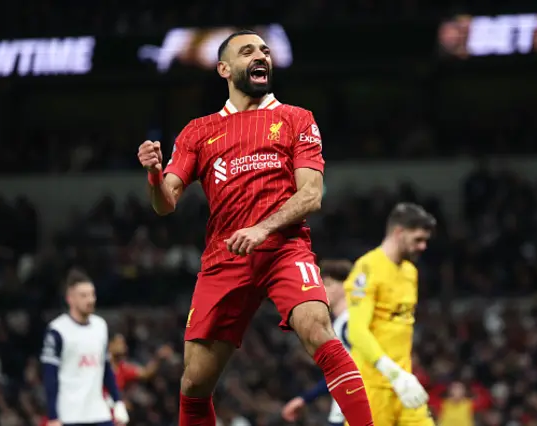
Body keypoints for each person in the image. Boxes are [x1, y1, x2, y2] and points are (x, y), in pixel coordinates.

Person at [137, 30, 373, 426]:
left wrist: (263, 229)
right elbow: (165, 203)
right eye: (248, 51)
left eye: (265, 50)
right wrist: (154, 173)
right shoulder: (198, 131)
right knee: (194, 383)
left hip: (285, 249)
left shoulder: (297, 118)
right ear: (224, 69)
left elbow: (311, 195)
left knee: (319, 331)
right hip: (224, 257)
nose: (261, 55)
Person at [344, 203, 436, 426]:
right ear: (398, 233)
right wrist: (394, 373)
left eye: (425, 241)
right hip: (371, 386)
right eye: (418, 240)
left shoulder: (410, 272)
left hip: (404, 385)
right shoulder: (367, 268)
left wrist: (403, 376)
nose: (423, 246)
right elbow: (356, 331)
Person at [40, 269, 129, 426]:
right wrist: (53, 416)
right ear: (70, 299)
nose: (90, 300)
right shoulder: (57, 331)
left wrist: (118, 401)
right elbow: (50, 376)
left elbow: (106, 368)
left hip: (99, 414)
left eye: (92, 294)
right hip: (70, 416)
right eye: (84, 295)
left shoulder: (100, 326)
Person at [281, 259, 354, 425]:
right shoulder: (340, 323)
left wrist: (306, 398)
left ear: (344, 286)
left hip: (353, 411)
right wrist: (305, 399)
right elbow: (341, 373)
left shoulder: (350, 323)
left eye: (327, 284)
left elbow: (354, 372)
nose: (321, 291)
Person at [108, 333, 174, 391]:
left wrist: (158, 357)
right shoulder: (102, 365)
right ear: (110, 345)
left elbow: (145, 373)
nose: (125, 347)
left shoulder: (123, 368)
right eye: (120, 343)